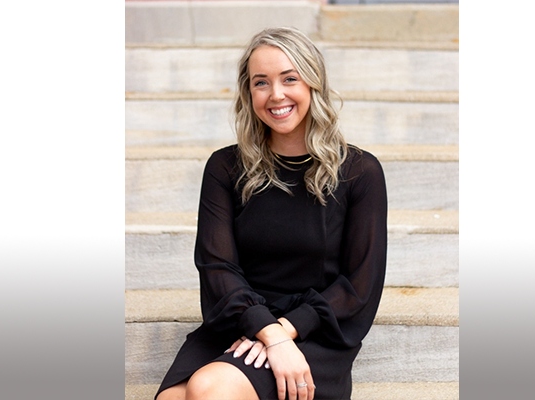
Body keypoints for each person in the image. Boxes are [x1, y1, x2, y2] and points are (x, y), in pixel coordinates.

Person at [154, 27, 387, 400]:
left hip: (314, 329)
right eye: (261, 82)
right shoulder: (225, 167)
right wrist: (267, 330)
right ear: (249, 93)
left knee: (209, 388)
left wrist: (285, 331)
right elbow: (217, 268)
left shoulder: (359, 172)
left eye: (289, 79)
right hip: (239, 317)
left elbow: (359, 286)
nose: (276, 94)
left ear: (313, 83)